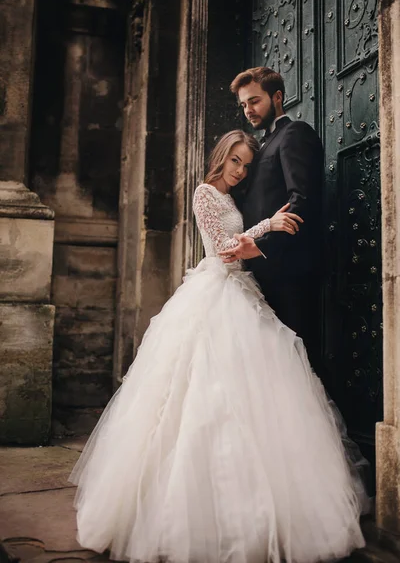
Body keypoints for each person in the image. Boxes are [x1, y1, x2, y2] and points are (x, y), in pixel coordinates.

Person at [69, 130, 368, 563]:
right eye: (235, 161)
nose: (240, 170)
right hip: (216, 292)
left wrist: (262, 227)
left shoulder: (234, 198)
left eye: (246, 164)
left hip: (244, 293)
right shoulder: (205, 193)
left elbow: (240, 244)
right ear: (221, 157)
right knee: (199, 395)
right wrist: (269, 225)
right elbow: (226, 251)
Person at [221, 67, 323, 378]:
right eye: (243, 105)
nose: (248, 110)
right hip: (258, 275)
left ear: (277, 97)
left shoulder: (295, 134)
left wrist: (261, 248)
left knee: (292, 371)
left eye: (254, 101)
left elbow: (301, 200)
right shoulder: (259, 145)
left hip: (287, 272)